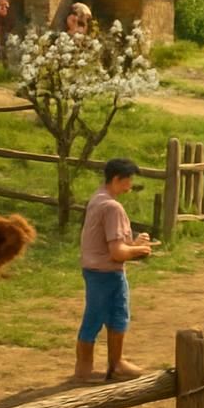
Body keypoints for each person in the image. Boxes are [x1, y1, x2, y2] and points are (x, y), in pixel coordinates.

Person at [76, 157, 154, 383]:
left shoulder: (98, 199)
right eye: (128, 179)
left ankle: (108, 365)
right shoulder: (112, 207)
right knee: (103, 317)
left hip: (95, 269)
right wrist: (140, 251)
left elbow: (112, 244)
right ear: (118, 179)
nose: (130, 184)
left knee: (111, 315)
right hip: (106, 272)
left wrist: (134, 243)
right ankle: (90, 369)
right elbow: (117, 253)